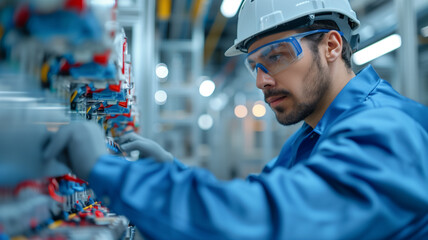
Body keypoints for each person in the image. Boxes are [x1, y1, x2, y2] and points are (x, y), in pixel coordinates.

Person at [44, 0, 428, 239]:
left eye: (277, 55)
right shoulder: (313, 134)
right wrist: (170, 171)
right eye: (254, 65)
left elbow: (263, 222)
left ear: (331, 45)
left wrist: (109, 171)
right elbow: (258, 194)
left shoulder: (386, 131)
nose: (261, 80)